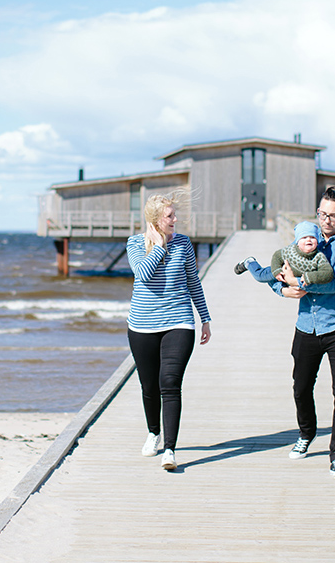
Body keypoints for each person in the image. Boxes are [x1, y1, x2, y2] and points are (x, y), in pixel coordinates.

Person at [274, 189, 335, 477]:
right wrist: (282, 287)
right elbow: (278, 267)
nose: (326, 220)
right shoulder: (304, 239)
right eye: (322, 214)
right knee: (301, 387)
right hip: (307, 326)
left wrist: (297, 280)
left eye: (333, 215)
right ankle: (306, 432)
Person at [127, 193, 211, 470]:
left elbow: (192, 281)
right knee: (149, 386)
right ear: (155, 221)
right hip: (141, 325)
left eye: (175, 215)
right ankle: (154, 433)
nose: (176, 220)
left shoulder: (184, 243)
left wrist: (205, 318)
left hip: (179, 321)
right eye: (170, 216)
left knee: (170, 383)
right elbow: (143, 274)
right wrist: (160, 246)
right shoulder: (135, 243)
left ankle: (170, 449)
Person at [235, 219, 334, 292]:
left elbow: (328, 273)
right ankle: (249, 262)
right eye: (304, 237)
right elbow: (277, 256)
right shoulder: (291, 251)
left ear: (317, 241)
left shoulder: (319, 257)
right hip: (281, 271)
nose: (308, 240)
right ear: (297, 242)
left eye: (312, 237)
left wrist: (310, 276)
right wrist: (277, 270)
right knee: (260, 276)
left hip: (293, 280)